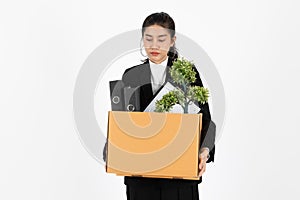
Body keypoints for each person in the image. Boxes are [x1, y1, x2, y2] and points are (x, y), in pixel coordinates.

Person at [105, 12, 216, 200]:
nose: (154, 46)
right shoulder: (131, 76)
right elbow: (123, 122)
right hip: (141, 178)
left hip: (179, 176)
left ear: (172, 40)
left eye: (161, 39)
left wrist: (204, 152)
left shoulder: (187, 73)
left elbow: (205, 119)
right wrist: (113, 148)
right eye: (148, 39)